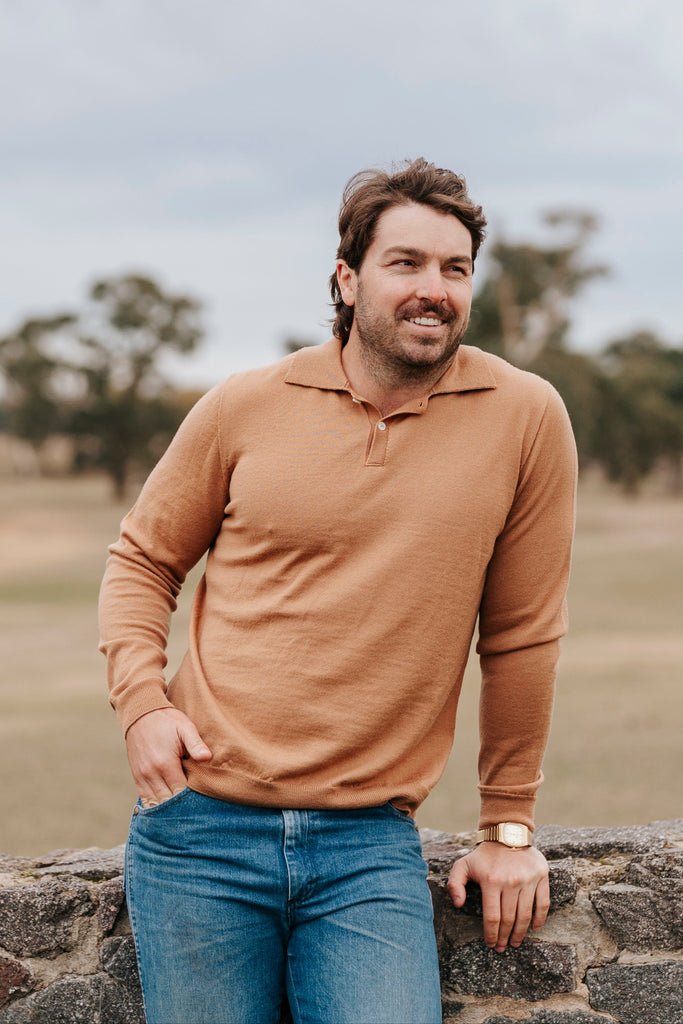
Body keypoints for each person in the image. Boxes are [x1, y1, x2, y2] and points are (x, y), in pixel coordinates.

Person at [99, 157, 577, 1024]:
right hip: (197, 831)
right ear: (347, 278)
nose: (433, 288)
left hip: (368, 845)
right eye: (406, 263)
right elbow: (142, 561)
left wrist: (508, 829)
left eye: (454, 268)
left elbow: (520, 635)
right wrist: (141, 703)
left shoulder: (526, 416)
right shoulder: (243, 405)